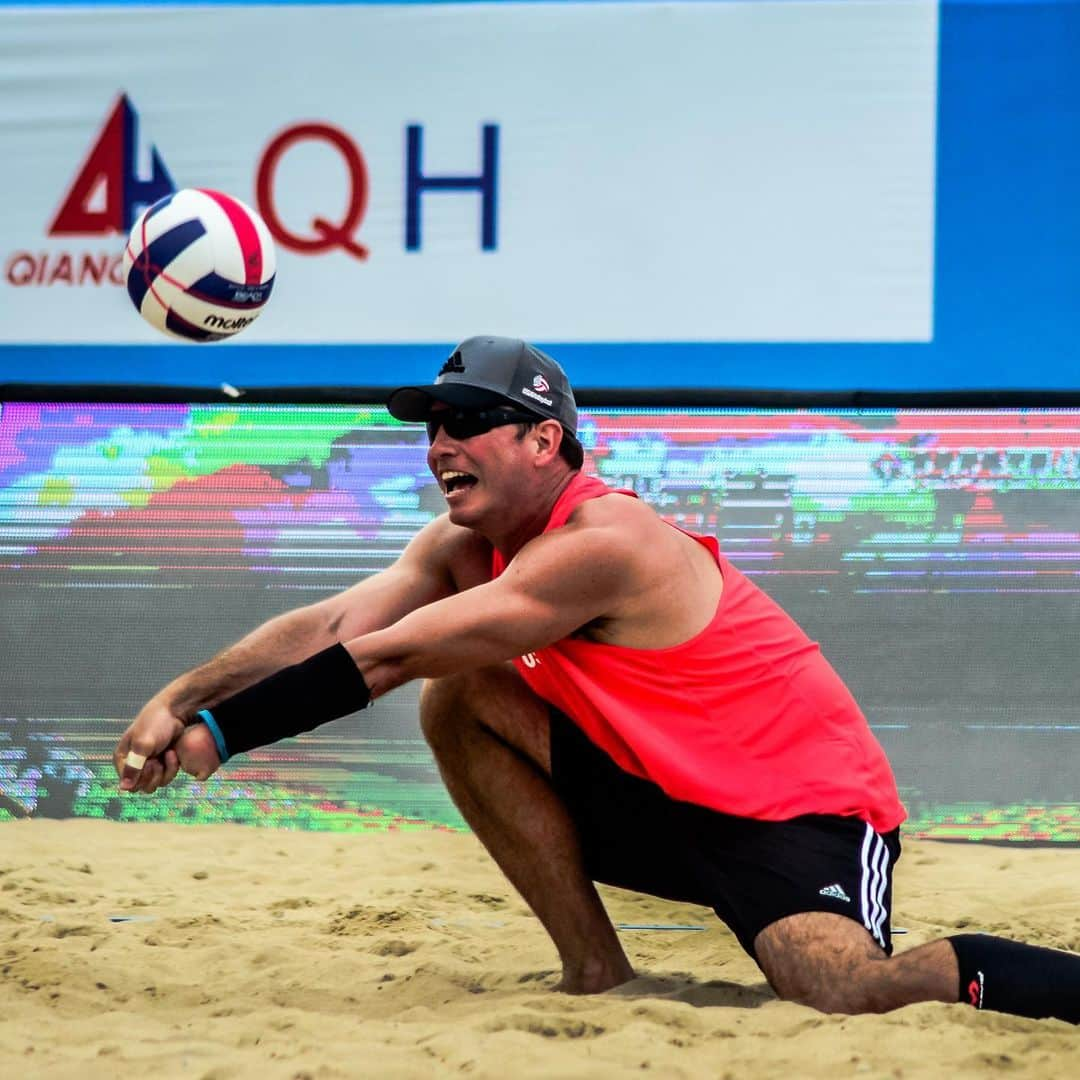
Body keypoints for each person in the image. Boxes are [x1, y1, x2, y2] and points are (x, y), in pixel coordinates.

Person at [114, 335, 1080, 1018]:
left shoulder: (605, 542)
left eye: (469, 422)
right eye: (433, 425)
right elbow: (337, 623)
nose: (440, 443)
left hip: (799, 813)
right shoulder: (461, 543)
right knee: (464, 698)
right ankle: (597, 972)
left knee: (842, 991)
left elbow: (388, 654)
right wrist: (178, 696)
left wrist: (219, 738)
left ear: (545, 441)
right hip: (658, 796)